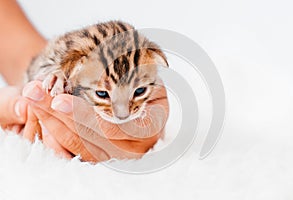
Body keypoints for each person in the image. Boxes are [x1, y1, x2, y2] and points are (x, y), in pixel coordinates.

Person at [0, 0, 169, 162]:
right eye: (103, 94)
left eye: (139, 91)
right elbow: (39, 67)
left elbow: (25, 58)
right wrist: (48, 79)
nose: (123, 113)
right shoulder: (71, 66)